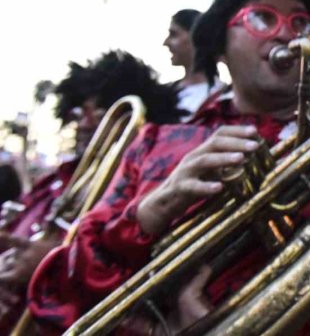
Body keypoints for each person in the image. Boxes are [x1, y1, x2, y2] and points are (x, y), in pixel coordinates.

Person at [28, 0, 310, 334]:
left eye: (301, 23)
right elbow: (59, 292)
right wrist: (158, 206)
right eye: (263, 17)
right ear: (220, 43)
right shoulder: (154, 141)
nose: (285, 33)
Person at [0, 50, 179, 332]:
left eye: (97, 111)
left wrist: (49, 260)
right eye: (79, 112)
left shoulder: (143, 183)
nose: (84, 123)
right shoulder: (59, 180)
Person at [163, 8, 224, 118]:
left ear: (196, 36)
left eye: (174, 34)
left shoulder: (224, 98)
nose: (166, 43)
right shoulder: (163, 94)